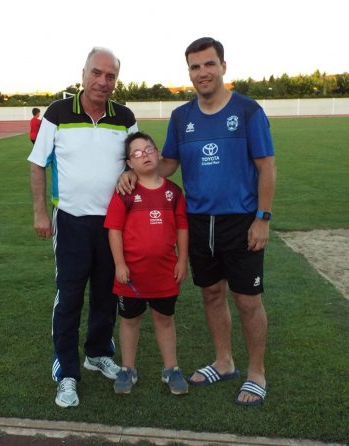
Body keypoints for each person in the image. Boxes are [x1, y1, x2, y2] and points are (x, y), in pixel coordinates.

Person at [118, 37, 276, 406]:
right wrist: (134, 172)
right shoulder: (181, 117)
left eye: (209, 64)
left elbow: (266, 168)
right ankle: (224, 361)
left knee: (247, 299)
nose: (202, 72)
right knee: (211, 293)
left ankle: (256, 372)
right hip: (197, 220)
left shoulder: (249, 112)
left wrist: (262, 219)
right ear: (188, 72)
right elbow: (168, 164)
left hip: (241, 220)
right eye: (195, 66)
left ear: (223, 66)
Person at [28, 47, 138, 408]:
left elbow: (137, 162)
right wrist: (40, 213)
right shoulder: (58, 113)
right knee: (70, 296)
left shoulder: (124, 117)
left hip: (113, 225)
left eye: (110, 76)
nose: (102, 82)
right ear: (83, 73)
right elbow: (37, 163)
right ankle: (67, 373)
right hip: (71, 220)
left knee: (108, 292)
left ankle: (96, 353)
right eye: (97, 73)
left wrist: (130, 172)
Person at [104, 131, 189, 395]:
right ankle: (128, 369)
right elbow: (114, 230)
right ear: (130, 163)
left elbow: (182, 229)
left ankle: (171, 369)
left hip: (165, 273)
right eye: (137, 153)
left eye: (149, 149)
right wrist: (119, 264)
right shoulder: (125, 192)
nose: (145, 155)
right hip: (131, 276)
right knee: (130, 321)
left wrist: (182, 261)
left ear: (158, 153)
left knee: (165, 319)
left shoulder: (173, 192)